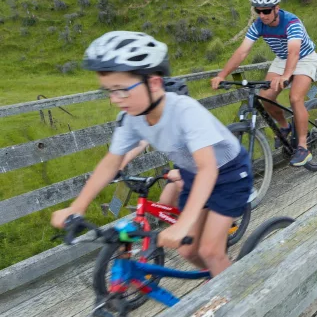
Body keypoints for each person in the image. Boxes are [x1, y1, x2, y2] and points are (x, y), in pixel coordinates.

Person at [50, 31, 252, 276]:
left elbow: (208, 168)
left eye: (121, 90)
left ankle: (233, 293)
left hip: (228, 173)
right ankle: (219, 278)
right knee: (188, 251)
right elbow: (110, 162)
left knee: (211, 251)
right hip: (193, 174)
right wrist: (77, 207)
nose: (115, 99)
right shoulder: (130, 118)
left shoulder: (185, 111)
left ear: (154, 83)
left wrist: (184, 224)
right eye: (109, 91)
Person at [211, 0, 317, 167]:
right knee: (264, 97)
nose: (262, 15)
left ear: (276, 8)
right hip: (282, 59)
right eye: (258, 11)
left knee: (295, 98)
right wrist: (222, 75)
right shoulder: (258, 25)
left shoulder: (292, 22)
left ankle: (302, 147)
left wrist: (285, 76)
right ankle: (285, 127)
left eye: (266, 11)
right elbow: (242, 52)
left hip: (304, 57)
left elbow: (294, 52)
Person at [117, 77, 191, 207]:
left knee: (188, 200)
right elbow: (141, 143)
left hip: (211, 170)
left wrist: (182, 173)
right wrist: (119, 165)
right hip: (183, 168)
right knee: (165, 203)